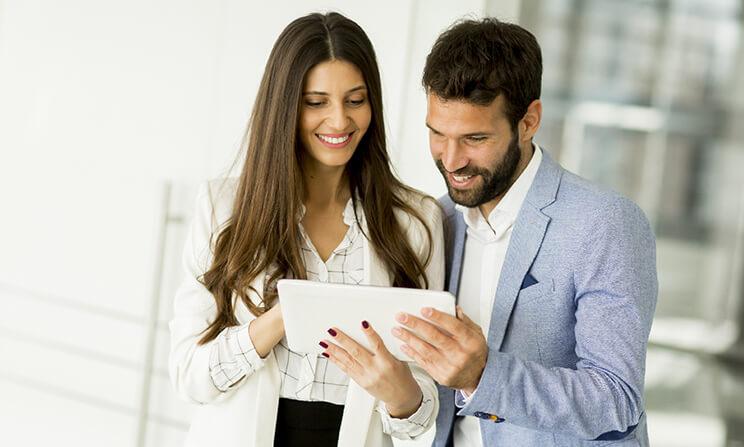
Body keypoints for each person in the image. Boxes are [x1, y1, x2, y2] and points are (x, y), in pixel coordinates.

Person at [168, 12, 444, 447]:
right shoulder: (223, 207)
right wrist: (287, 315)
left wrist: (401, 394)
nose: (339, 121)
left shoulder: (415, 221)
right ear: (285, 107)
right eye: (316, 103)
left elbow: (420, 420)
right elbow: (190, 377)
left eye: (355, 100)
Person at [391, 18, 658, 446]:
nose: (452, 160)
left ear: (529, 121)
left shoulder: (604, 223)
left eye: (475, 138)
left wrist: (483, 375)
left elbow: (616, 399)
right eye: (438, 134)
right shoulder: (433, 221)